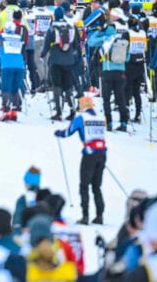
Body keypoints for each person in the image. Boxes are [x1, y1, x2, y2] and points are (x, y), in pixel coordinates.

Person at [55, 96, 106, 225]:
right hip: (102, 154)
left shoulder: (81, 118)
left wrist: (58, 133)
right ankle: (99, 215)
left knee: (84, 185)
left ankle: (85, 216)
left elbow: (68, 132)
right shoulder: (100, 117)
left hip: (89, 154)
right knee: (97, 186)